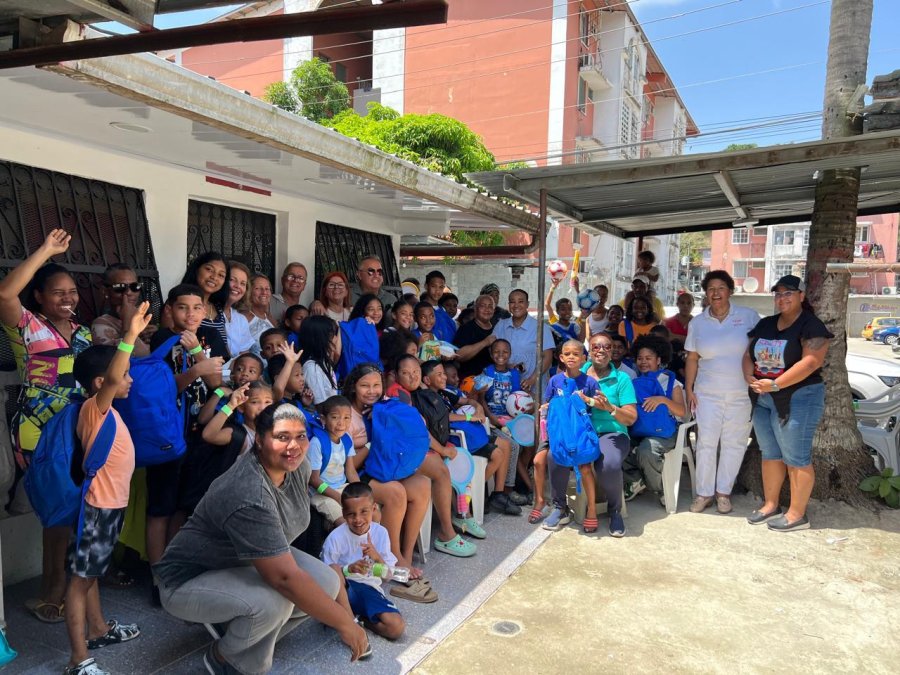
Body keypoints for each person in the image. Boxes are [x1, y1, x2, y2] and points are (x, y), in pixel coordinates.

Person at [154, 403, 369, 673]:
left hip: (245, 562)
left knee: (326, 582)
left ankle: (242, 633)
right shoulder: (248, 491)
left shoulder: (298, 465)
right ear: (259, 440)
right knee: (275, 602)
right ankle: (226, 658)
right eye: (282, 437)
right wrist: (345, 623)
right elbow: (284, 578)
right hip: (188, 578)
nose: (294, 446)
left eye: (301, 436)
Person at [0, 229, 92, 624]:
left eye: (72, 291)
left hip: (77, 431)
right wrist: (46, 251)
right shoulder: (27, 328)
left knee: (69, 514)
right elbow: (4, 295)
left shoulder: (85, 333)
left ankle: (58, 589)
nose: (67, 298)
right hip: (40, 433)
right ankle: (51, 594)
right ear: (38, 296)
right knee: (57, 516)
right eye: (57, 292)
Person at [64, 304, 151, 675]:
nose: (128, 380)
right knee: (80, 581)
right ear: (100, 383)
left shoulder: (109, 412)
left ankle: (98, 629)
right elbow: (115, 377)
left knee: (92, 573)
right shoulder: (94, 408)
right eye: (123, 375)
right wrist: (129, 337)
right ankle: (78, 658)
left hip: (110, 507)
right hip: (97, 508)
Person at [146, 284, 226, 601]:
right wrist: (195, 369)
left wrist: (197, 354)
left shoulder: (206, 337)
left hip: (196, 431)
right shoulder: (163, 340)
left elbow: (217, 383)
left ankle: (174, 569)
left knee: (183, 506)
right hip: (166, 435)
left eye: (197, 307)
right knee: (160, 508)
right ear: (170, 309)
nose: (190, 314)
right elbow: (163, 389)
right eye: (183, 307)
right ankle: (156, 578)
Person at [744, 275, 832, 532]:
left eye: (788, 293)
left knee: (796, 456)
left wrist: (775, 384)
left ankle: (797, 515)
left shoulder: (811, 325)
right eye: (778, 294)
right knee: (770, 452)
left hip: (799, 397)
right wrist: (749, 376)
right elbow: (748, 355)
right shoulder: (767, 324)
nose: (782, 298)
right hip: (763, 396)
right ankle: (771, 504)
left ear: (801, 296)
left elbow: (811, 362)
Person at [343, 364, 431, 580]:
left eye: (376, 385)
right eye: (364, 386)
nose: (371, 391)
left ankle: (407, 555)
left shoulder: (384, 408)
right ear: (354, 387)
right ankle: (394, 555)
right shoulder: (346, 416)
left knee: (422, 484)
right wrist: (372, 444)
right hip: (358, 474)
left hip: (384, 467)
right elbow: (347, 462)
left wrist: (386, 418)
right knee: (395, 492)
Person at [684, 270, 760, 515]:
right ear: (706, 293)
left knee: (734, 443)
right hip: (706, 393)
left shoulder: (748, 317)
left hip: (741, 393)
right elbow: (692, 358)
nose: (716, 293)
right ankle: (704, 493)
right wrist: (689, 388)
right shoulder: (698, 323)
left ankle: (723, 493)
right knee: (706, 442)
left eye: (721, 288)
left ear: (730, 290)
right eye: (711, 289)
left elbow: (761, 350)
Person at [390, 355, 477, 557]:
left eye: (416, 372)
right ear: (395, 375)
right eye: (406, 373)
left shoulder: (413, 392)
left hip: (411, 449)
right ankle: (446, 533)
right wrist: (442, 449)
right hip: (402, 454)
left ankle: (462, 515)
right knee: (441, 472)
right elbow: (420, 431)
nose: (412, 376)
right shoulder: (400, 395)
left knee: (446, 466)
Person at [419, 359, 520, 516]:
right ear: (426, 380)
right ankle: (474, 495)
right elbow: (444, 417)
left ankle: (497, 494)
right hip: (459, 438)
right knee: (498, 454)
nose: (444, 377)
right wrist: (468, 417)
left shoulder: (445, 393)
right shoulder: (426, 399)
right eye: (439, 375)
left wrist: (478, 409)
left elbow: (469, 400)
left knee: (506, 445)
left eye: (444, 374)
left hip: (472, 433)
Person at [322, 483, 406, 640]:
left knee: (396, 627)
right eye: (351, 514)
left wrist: (376, 557)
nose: (358, 519)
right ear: (344, 513)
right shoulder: (335, 538)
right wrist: (348, 570)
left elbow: (387, 577)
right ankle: (349, 624)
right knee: (334, 568)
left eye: (363, 512)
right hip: (343, 590)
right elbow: (327, 577)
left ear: (374, 508)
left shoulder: (380, 533)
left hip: (368, 588)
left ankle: (359, 619)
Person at [577, 331, 638, 534]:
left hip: (612, 433)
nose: (601, 350)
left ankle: (615, 511)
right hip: (582, 434)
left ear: (612, 352)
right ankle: (558, 507)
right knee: (550, 456)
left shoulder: (622, 379)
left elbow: (631, 417)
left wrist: (610, 408)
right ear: (589, 351)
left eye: (606, 347)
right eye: (596, 346)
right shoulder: (578, 374)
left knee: (609, 464)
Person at [541, 340, 603, 534]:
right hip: (560, 435)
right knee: (553, 458)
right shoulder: (554, 381)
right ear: (561, 357)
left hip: (581, 435)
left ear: (584, 358)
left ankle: (591, 509)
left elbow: (596, 407)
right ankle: (560, 507)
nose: (571, 357)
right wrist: (545, 408)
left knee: (585, 467)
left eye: (576, 354)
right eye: (567, 354)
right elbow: (547, 405)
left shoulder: (590, 382)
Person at [623, 335, 686, 503]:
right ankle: (636, 481)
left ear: (659, 360)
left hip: (666, 433)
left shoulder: (671, 382)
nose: (643, 362)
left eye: (648, 358)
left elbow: (682, 411)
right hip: (639, 430)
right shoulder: (634, 381)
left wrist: (662, 400)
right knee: (618, 447)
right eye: (640, 358)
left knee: (646, 450)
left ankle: (660, 488)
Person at [308, 395, 359, 530]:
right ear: (324, 419)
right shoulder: (317, 443)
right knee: (346, 524)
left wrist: (360, 492)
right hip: (321, 493)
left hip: (342, 488)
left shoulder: (347, 440)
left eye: (346, 418)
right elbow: (314, 480)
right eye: (335, 417)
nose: (341, 423)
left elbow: (351, 471)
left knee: (372, 512)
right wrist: (337, 497)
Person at [493, 289, 555, 393]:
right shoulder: (501, 325)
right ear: (508, 305)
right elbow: (492, 351)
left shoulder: (540, 327)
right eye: (512, 302)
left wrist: (531, 380)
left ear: (527, 304)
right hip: (505, 387)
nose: (516, 305)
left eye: (521, 301)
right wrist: (505, 364)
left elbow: (547, 357)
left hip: (534, 388)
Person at [91, 263, 154, 357]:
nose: (128, 292)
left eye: (134, 287)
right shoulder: (100, 324)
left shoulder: (143, 317)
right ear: (106, 291)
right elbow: (119, 361)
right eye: (120, 287)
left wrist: (155, 336)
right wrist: (127, 323)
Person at [180, 252, 231, 355]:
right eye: (209, 269)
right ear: (197, 269)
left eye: (221, 275)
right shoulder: (178, 303)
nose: (214, 277)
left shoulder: (218, 309)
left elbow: (224, 349)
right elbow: (170, 341)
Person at [454, 294, 498, 379]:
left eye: (490, 306)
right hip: (470, 381)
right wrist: (485, 342)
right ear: (475, 309)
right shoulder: (467, 328)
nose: (487, 309)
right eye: (483, 306)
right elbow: (458, 355)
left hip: (493, 380)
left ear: (494, 310)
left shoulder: (497, 328)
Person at [299, 315, 341, 404]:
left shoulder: (324, 362)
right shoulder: (312, 368)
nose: (336, 339)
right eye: (333, 335)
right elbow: (321, 404)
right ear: (321, 339)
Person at [222, 261, 255, 358]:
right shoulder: (209, 312)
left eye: (242, 283)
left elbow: (244, 354)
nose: (237, 286)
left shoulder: (241, 319)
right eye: (232, 280)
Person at [545, 277, 585, 346]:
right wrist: (553, 287)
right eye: (563, 309)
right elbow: (547, 304)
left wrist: (577, 290)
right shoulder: (554, 324)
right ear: (557, 311)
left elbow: (584, 308)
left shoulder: (575, 325)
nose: (567, 311)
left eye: (569, 309)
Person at [243, 274, 276, 354]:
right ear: (249, 292)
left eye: (267, 289)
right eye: (258, 288)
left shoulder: (270, 318)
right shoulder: (243, 317)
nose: (264, 292)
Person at [421, 271, 457, 342]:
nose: (437, 291)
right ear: (426, 286)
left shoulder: (443, 311)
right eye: (433, 286)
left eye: (441, 287)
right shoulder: (419, 310)